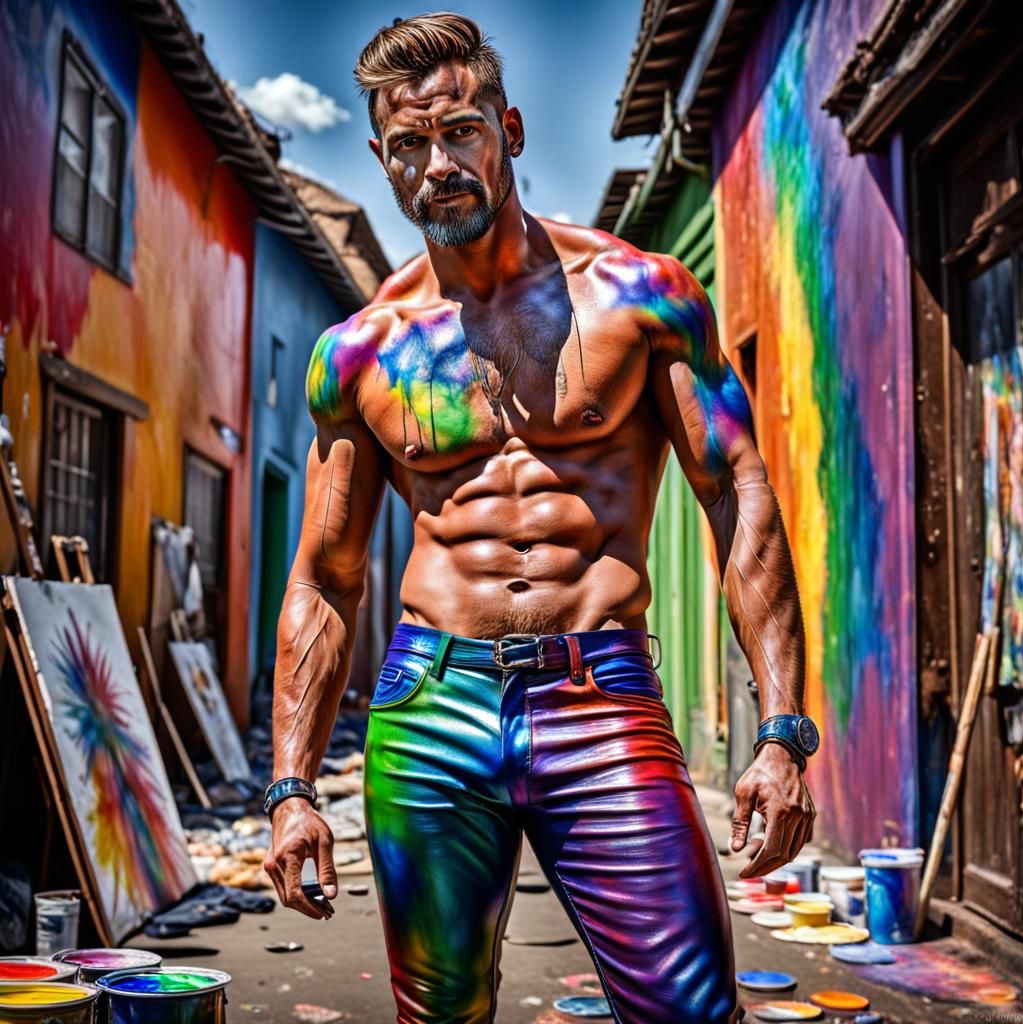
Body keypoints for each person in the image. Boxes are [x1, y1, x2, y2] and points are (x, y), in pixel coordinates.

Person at [263, 13, 817, 1024]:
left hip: (598, 695)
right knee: (439, 1014)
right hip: (428, 707)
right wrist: (292, 787)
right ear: (386, 163)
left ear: (508, 129)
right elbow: (324, 577)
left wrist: (781, 730)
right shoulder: (361, 351)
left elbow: (736, 490)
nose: (440, 162)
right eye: (408, 145)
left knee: (687, 1009)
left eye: (460, 129)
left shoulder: (641, 299)